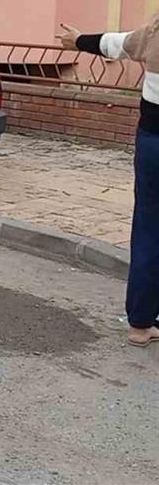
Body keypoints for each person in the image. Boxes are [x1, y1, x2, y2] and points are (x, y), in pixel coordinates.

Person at [60, 17, 159, 348]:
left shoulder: (154, 33)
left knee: (148, 229)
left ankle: (140, 325)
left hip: (152, 143)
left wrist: (77, 41)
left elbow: (116, 44)